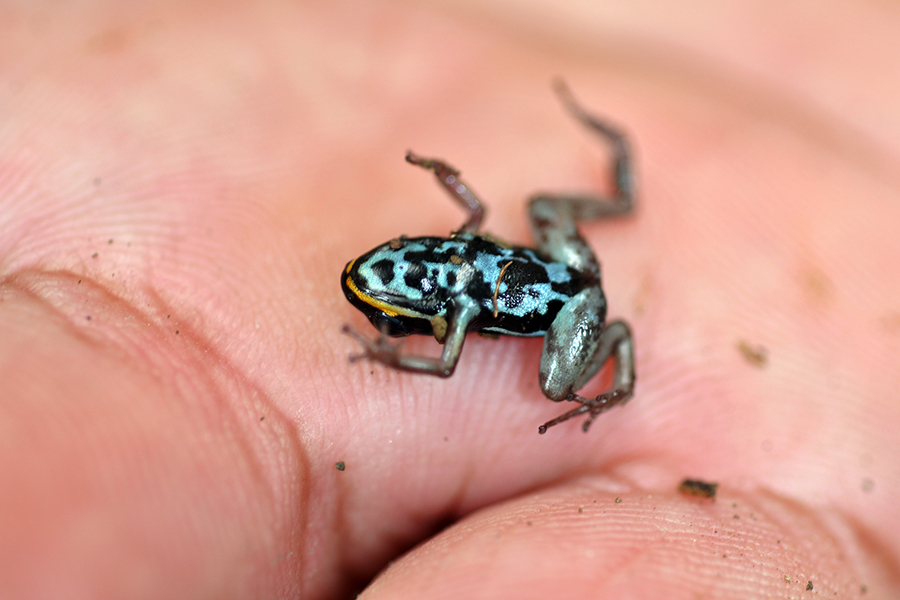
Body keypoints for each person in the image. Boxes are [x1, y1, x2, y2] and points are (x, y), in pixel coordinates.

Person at [1, 2, 897, 597]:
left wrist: (387, 350)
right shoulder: (460, 265)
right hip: (561, 263)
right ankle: (611, 199)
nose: (408, 264)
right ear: (428, 260)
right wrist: (442, 179)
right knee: (547, 210)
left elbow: (448, 359)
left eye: (405, 268)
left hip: (574, 300)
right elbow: (469, 217)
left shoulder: (461, 309)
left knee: (553, 385)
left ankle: (615, 343)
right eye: (408, 260)